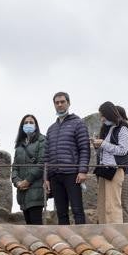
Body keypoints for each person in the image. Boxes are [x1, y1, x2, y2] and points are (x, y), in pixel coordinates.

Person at [44, 92, 91, 224]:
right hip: (54, 175)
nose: (59, 105)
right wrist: (46, 177)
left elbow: (84, 148)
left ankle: (82, 241)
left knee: (77, 210)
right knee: (61, 212)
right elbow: (46, 154)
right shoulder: (51, 129)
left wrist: (82, 170)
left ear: (68, 103)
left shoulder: (78, 123)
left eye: (62, 102)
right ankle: (65, 244)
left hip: (72, 173)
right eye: (57, 102)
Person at [90, 102, 128, 224]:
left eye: (103, 115)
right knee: (103, 204)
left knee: (113, 204)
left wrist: (103, 144)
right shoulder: (109, 129)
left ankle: (115, 233)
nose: (102, 118)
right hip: (105, 170)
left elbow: (122, 150)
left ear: (109, 114)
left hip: (115, 169)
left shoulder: (123, 128)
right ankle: (104, 231)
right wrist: (99, 145)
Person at [12, 114, 47, 224]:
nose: (28, 124)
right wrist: (17, 182)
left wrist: (27, 181)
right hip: (22, 193)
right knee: (28, 226)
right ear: (22, 126)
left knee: (36, 227)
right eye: (26, 123)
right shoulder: (19, 146)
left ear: (36, 126)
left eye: (31, 122)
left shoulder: (42, 141)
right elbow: (14, 168)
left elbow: (42, 164)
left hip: (36, 190)